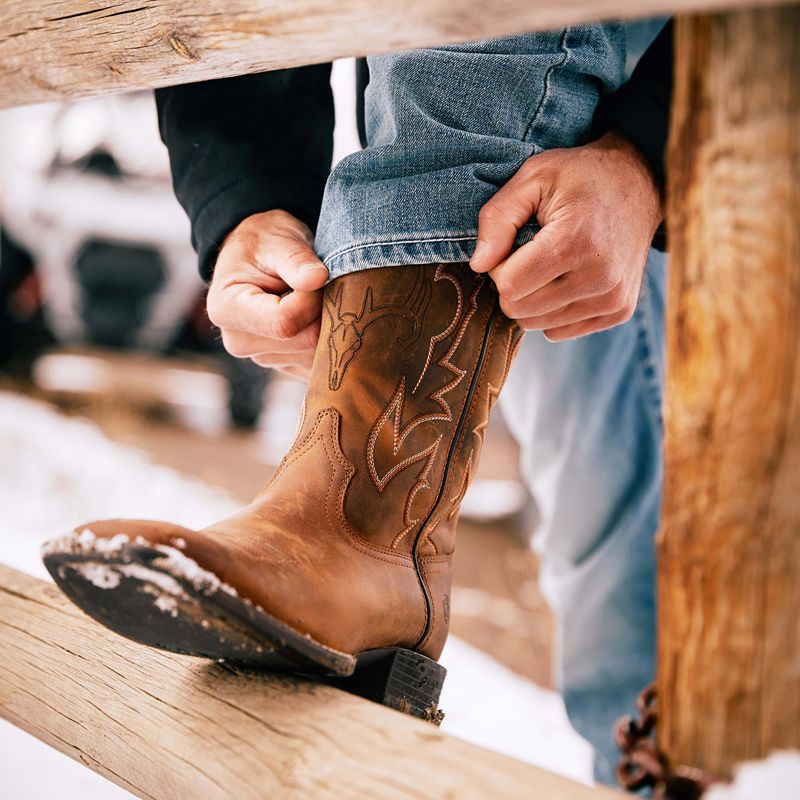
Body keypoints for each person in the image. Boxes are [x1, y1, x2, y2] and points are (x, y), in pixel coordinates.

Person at [43, 19, 672, 785]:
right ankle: (373, 545)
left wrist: (655, 150)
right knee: (604, 553)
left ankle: (360, 534)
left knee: (639, 579)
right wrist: (245, 200)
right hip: (531, 189)